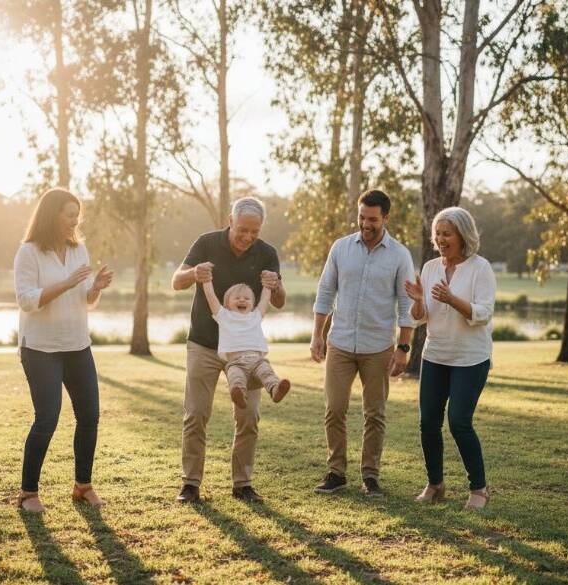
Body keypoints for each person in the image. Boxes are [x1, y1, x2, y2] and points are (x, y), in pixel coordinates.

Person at [172, 197, 286, 503]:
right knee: (196, 414)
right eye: (243, 230)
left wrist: (275, 285)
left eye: (255, 231)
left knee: (248, 416)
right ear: (230, 221)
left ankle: (242, 483)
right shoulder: (206, 243)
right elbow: (176, 282)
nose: (248, 237)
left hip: (245, 353)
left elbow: (279, 301)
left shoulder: (267, 253)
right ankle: (190, 483)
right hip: (204, 344)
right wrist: (194, 273)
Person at [13, 188, 113, 514]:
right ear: (51, 215)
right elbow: (28, 300)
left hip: (77, 346)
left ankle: (83, 486)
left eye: (77, 215)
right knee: (47, 420)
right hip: (41, 349)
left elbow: (86, 299)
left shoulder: (79, 250)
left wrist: (94, 288)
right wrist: (69, 283)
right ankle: (28, 493)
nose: (75, 220)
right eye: (69, 214)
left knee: (90, 416)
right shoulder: (28, 253)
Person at [310, 189, 416, 497]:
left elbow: (406, 305)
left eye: (372, 219)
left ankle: (370, 476)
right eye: (361, 217)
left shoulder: (399, 255)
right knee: (334, 409)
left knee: (375, 413)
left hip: (378, 347)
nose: (365, 224)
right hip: (340, 343)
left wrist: (403, 348)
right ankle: (336, 472)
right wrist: (317, 335)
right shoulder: (341, 248)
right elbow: (325, 292)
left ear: (385, 217)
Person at [404, 206, 495, 510]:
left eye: (447, 234)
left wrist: (452, 299)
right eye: (438, 234)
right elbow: (418, 318)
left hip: (470, 359)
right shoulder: (430, 268)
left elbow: (483, 313)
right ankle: (435, 484)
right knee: (428, 423)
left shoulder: (480, 268)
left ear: (463, 235)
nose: (441, 239)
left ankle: (479, 489)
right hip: (435, 356)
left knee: (459, 422)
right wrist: (418, 301)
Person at [201, 279, 290, 409]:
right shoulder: (223, 315)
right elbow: (211, 297)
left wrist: (267, 284)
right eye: (237, 298)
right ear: (226, 304)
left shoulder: (256, 315)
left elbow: (265, 299)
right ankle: (239, 396)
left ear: (253, 304)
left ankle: (275, 390)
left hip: (257, 360)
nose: (242, 300)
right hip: (235, 363)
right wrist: (206, 280)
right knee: (236, 379)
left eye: (247, 298)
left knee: (267, 373)